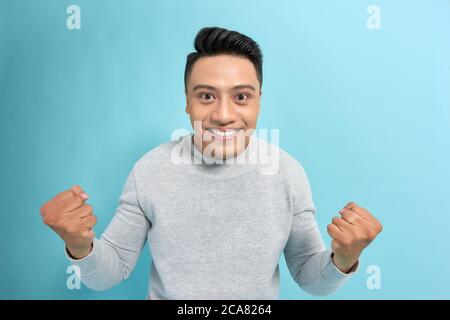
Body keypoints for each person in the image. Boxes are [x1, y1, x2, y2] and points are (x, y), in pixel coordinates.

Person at [40, 27, 382, 299]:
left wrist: (345, 258)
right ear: (187, 103)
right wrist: (80, 245)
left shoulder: (287, 173)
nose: (222, 115)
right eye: (206, 96)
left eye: (241, 97)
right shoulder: (150, 170)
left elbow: (311, 278)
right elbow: (110, 272)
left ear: (259, 102)